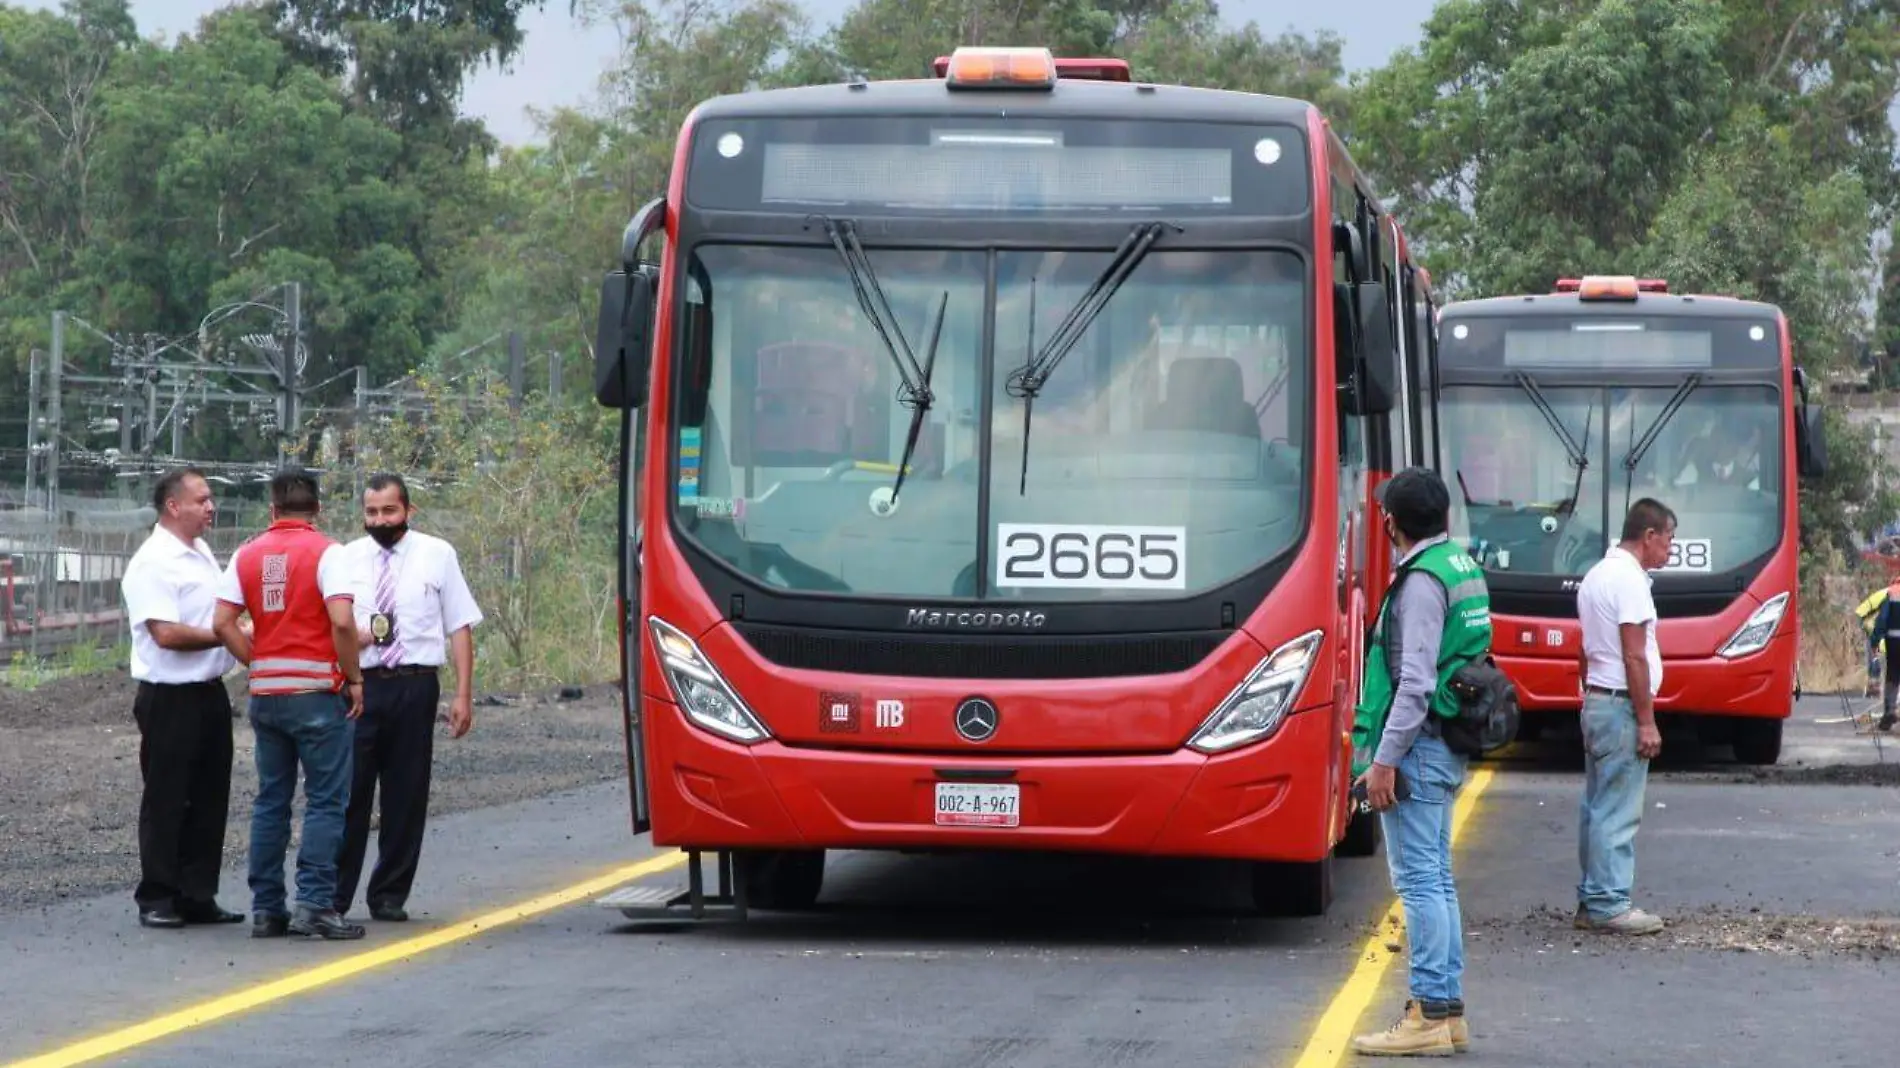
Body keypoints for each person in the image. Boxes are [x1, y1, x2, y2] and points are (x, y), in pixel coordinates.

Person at [1350, 467, 1493, 1058]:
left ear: (1390, 523)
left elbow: (1412, 684)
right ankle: (1447, 1011)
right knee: (1435, 878)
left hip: (1418, 745)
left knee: (1418, 882)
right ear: (1446, 518)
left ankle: (1429, 1012)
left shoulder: (1419, 584)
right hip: (1445, 740)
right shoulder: (1462, 568)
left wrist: (1383, 761)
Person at [211, 468, 367, 941]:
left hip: (267, 696)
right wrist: (355, 678)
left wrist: (257, 660)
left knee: (271, 801)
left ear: (273, 510)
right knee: (325, 801)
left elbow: (222, 622)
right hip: (318, 693)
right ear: (316, 509)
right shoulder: (328, 553)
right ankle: (315, 904)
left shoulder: (247, 554)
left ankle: (267, 908)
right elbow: (342, 622)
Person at [333, 472, 483, 922]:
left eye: (389, 511)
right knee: (350, 792)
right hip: (360, 685)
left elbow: (459, 625)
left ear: (408, 511)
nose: (379, 520)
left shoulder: (437, 555)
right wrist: (351, 642)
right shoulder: (345, 559)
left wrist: (463, 694)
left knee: (406, 791)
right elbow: (330, 624)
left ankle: (389, 894)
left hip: (415, 685)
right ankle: (335, 896)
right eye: (372, 512)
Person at [118, 467, 244, 929]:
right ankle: (157, 895)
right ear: (174, 506)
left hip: (208, 692)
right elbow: (166, 633)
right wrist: (226, 636)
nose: (210, 507)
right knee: (168, 797)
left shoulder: (203, 552)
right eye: (202, 499)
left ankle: (197, 894)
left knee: (210, 797)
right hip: (169, 697)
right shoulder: (153, 561)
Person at [1572, 497, 1674, 936]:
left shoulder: (1596, 575)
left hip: (1597, 700)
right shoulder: (1631, 582)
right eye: (1668, 541)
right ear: (1648, 536)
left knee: (1596, 806)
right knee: (1617, 810)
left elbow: (1584, 647)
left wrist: (1587, 699)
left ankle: (1592, 898)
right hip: (1619, 705)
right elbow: (1635, 656)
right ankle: (1609, 904)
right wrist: (1646, 719)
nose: (1669, 551)